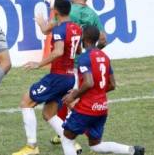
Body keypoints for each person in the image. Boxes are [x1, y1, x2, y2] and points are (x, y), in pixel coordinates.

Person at [37, 0, 106, 151]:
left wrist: (40, 22)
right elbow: (103, 40)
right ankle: (63, 133)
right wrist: (89, 55)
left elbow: (47, 29)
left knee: (69, 100)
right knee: (68, 99)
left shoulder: (69, 12)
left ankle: (84, 136)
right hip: (85, 65)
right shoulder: (93, 15)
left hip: (67, 65)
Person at [12, 0, 82, 155]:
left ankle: (32, 147)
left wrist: (38, 64)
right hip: (70, 77)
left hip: (58, 77)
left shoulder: (59, 29)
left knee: (26, 102)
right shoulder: (76, 28)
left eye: (52, 9)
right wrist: (41, 22)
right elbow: (78, 51)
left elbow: (58, 51)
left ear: (55, 12)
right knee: (48, 113)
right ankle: (71, 142)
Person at [61, 26, 145, 155]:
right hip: (101, 108)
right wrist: (96, 93)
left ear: (85, 38)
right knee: (96, 145)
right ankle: (131, 150)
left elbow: (89, 83)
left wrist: (74, 96)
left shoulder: (84, 58)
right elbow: (112, 85)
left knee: (67, 138)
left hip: (86, 108)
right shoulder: (105, 57)